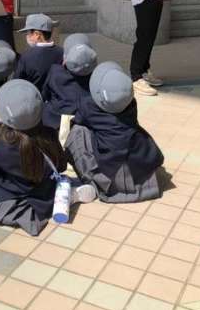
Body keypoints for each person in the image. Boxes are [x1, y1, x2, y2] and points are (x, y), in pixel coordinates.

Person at [0, 80, 68, 236]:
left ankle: (24, 211)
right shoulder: (50, 133)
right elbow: (61, 166)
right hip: (47, 190)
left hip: (15, 192)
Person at [65, 61, 165, 203]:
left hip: (110, 174)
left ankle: (94, 182)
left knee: (77, 131)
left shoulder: (88, 106)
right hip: (139, 165)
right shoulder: (131, 104)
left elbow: (79, 122)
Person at [42, 42, 97, 130]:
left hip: (55, 119)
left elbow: (45, 94)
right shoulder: (95, 81)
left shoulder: (55, 72)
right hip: (82, 123)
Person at [14, 14, 63, 92]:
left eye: (28, 33)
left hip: (34, 97)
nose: (27, 36)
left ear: (37, 34)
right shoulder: (62, 52)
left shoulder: (26, 57)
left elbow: (16, 82)